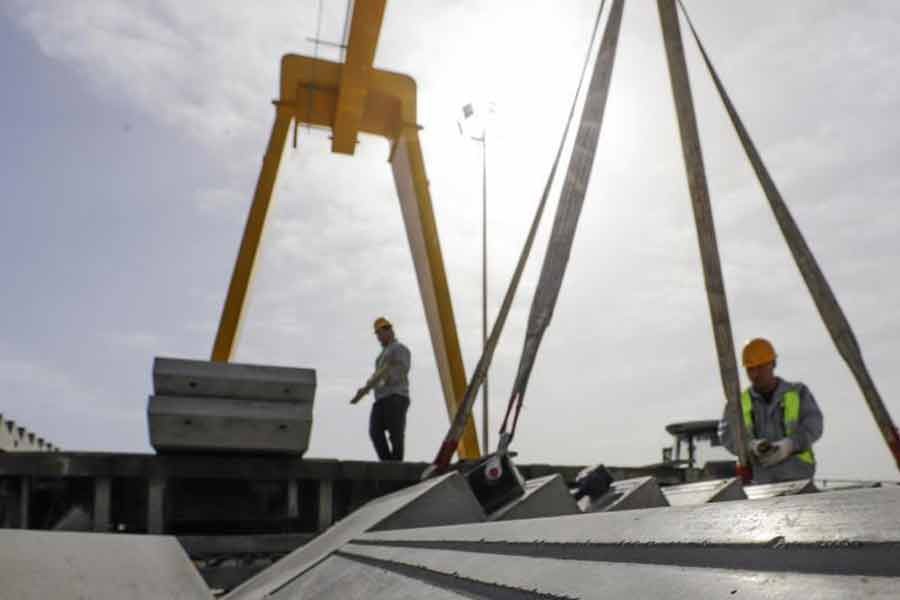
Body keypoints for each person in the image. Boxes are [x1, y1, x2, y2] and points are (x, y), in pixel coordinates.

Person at [719, 338, 823, 483]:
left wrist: (789, 445)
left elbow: (814, 425)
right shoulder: (738, 404)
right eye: (750, 369)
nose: (755, 374)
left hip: (798, 480)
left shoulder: (798, 392)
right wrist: (751, 446)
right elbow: (727, 435)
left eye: (760, 367)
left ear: (773, 363)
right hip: (761, 484)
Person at [351, 317, 411, 461]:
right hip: (382, 399)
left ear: (389, 331)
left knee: (395, 433)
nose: (378, 337)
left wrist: (384, 378)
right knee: (375, 431)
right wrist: (365, 388)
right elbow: (376, 376)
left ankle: (396, 463)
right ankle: (387, 462)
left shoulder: (399, 348)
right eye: (377, 334)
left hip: (396, 396)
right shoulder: (381, 356)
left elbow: (402, 369)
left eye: (380, 333)